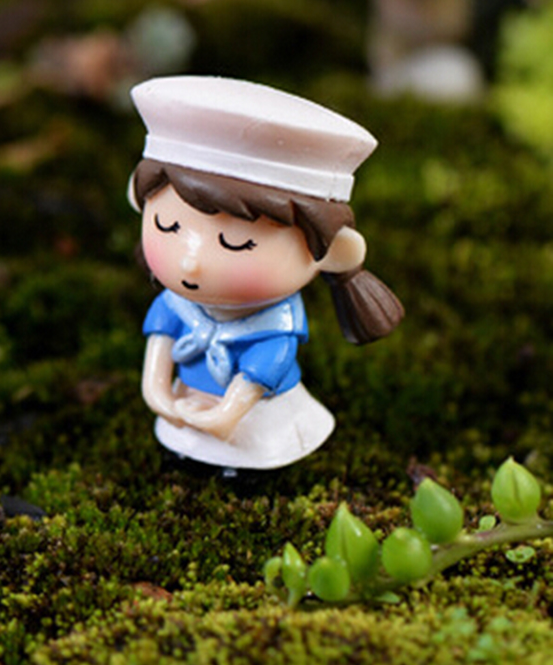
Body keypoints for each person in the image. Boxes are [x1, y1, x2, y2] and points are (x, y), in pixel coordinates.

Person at [129, 75, 403, 470]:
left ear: (333, 252)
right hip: (186, 399)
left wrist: (222, 418)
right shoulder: (176, 305)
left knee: (243, 453)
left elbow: (249, 387)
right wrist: (159, 395)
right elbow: (157, 358)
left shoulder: (274, 329)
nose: (191, 261)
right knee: (180, 447)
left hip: (253, 419)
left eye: (236, 243)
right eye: (167, 226)